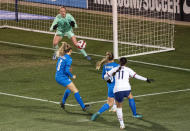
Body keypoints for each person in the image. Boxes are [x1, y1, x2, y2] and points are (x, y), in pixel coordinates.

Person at [104, 57, 154, 129]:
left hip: (118, 90)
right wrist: (146, 79)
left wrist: (108, 80)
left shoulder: (115, 69)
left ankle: (122, 125)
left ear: (119, 62)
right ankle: (135, 114)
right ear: (126, 63)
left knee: (119, 107)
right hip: (127, 89)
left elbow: (105, 77)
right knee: (130, 97)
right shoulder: (128, 69)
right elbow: (136, 76)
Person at [91, 53, 143, 121]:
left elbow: (103, 77)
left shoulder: (105, 66)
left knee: (109, 103)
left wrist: (109, 82)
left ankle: (97, 113)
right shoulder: (117, 65)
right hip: (118, 87)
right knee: (130, 97)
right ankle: (135, 114)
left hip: (110, 87)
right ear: (114, 58)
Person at [55, 42, 90, 111]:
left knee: (69, 89)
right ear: (70, 50)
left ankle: (63, 102)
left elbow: (58, 67)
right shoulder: (69, 58)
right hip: (62, 77)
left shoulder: (61, 56)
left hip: (58, 76)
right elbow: (67, 70)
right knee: (75, 90)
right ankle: (83, 107)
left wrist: (66, 72)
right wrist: (72, 76)